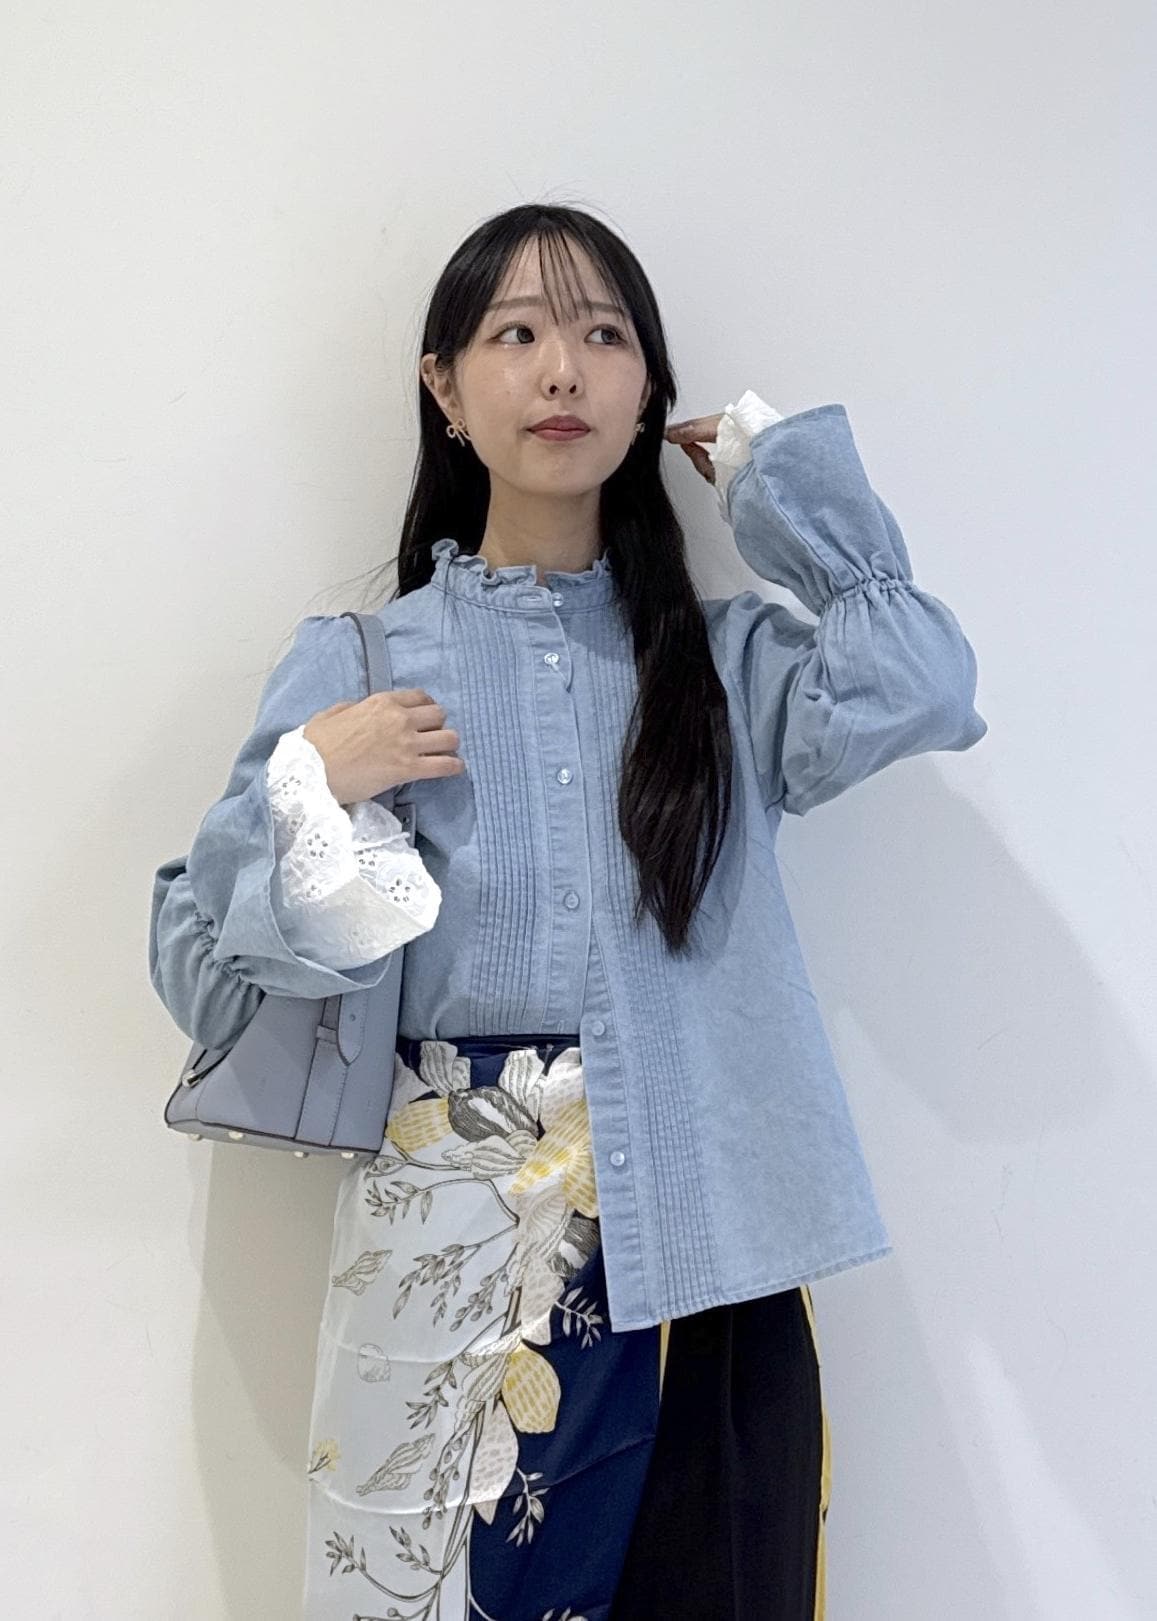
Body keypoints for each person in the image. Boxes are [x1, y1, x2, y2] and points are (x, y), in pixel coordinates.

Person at [148, 202, 988, 1620]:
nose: (562, 371)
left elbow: (922, 682)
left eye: (605, 336)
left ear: (646, 387)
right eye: (517, 334)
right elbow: (205, 978)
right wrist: (311, 783)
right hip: (448, 1243)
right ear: (443, 385)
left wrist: (777, 483)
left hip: (704, 1237)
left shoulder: (720, 662)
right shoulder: (363, 661)